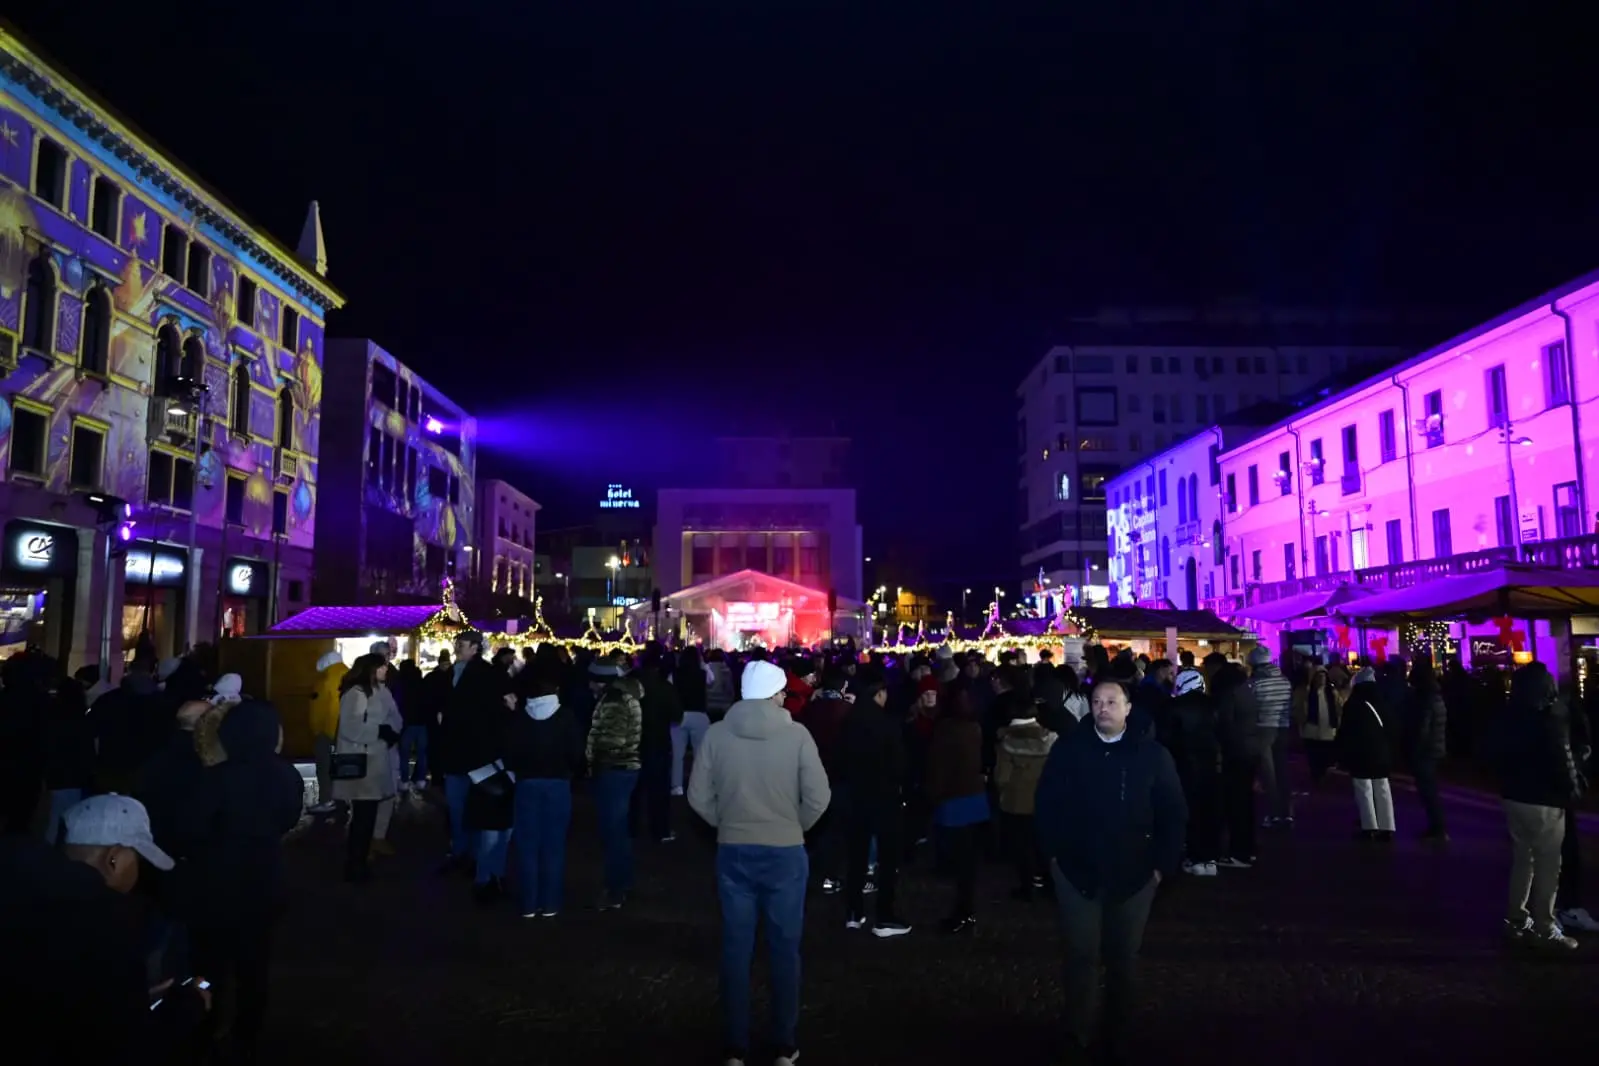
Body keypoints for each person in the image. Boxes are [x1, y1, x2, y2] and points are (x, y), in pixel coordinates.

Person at [1035, 679, 1187, 1062]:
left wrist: (1160, 868)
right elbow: (1046, 804)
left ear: (1128, 707)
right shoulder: (1070, 750)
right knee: (1080, 955)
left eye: (1112, 702)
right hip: (1077, 873)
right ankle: (1078, 1031)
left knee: (1123, 959)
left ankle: (1119, 1033)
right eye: (1097, 701)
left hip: (1135, 876)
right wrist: (1053, 857)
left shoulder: (1153, 756)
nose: (1103, 708)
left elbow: (1173, 813)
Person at [688, 659, 831, 1066]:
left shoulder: (717, 734)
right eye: (782, 692)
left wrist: (727, 823)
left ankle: (735, 1045)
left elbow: (698, 796)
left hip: (734, 849)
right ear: (773, 695)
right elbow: (819, 797)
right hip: (785, 852)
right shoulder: (797, 735)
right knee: (784, 949)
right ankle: (784, 1043)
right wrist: (793, 827)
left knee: (736, 948)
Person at [0, 794, 211, 1063]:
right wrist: (190, 1005)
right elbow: (128, 1045)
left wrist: (129, 998)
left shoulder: (15, 880)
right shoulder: (110, 923)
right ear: (113, 859)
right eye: (138, 860)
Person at [178, 700, 303, 1061]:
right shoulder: (286, 775)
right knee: (254, 965)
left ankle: (206, 1022)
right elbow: (289, 819)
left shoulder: (216, 777)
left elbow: (193, 828)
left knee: (207, 964)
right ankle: (248, 1031)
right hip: (264, 880)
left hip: (215, 884)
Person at [1494, 663, 1581, 949]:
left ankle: (1516, 918)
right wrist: (1572, 789)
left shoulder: (1507, 718)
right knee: (1548, 864)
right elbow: (1562, 760)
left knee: (1523, 859)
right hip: (1544, 799)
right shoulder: (1549, 720)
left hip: (1514, 797)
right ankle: (1545, 924)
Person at [504, 672, 584, 919]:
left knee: (527, 845)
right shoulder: (565, 717)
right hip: (557, 784)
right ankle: (550, 903)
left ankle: (529, 903)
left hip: (526, 784)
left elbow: (510, 755)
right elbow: (576, 753)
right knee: (554, 844)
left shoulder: (521, 718)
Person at [835, 677, 909, 935]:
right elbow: (899, 765)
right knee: (888, 859)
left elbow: (839, 761)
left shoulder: (848, 723)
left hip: (855, 797)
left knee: (856, 857)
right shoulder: (887, 724)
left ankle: (854, 912)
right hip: (884, 798)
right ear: (879, 694)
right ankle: (884, 915)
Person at [334, 655, 400, 882]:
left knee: (367, 815)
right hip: (362, 763)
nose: (386, 669)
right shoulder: (356, 693)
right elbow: (350, 727)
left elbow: (394, 716)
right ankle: (355, 864)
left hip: (375, 760)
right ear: (371, 668)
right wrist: (379, 731)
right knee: (362, 817)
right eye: (382, 666)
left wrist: (390, 730)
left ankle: (360, 860)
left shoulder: (381, 690)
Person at [588, 665, 645, 909]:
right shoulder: (625, 696)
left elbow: (614, 739)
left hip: (614, 768)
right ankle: (623, 881)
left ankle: (615, 888)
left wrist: (594, 756)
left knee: (612, 831)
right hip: (625, 767)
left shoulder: (613, 700)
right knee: (618, 829)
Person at [994, 689, 1056, 898]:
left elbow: (1002, 777)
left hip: (1016, 802)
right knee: (1043, 843)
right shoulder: (1051, 738)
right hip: (1046, 801)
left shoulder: (1006, 743)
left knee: (1022, 846)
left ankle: (1027, 886)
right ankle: (1047, 881)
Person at [1168, 667, 1221, 876]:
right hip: (1210, 765)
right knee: (1210, 811)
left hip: (1185, 766)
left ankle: (1195, 856)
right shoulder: (1213, 704)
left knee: (1190, 812)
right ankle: (1210, 857)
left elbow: (1168, 738)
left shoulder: (1174, 706)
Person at [1338, 667, 1396, 841]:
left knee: (1363, 788)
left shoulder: (1353, 703)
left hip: (1360, 752)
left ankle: (1369, 826)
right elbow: (1392, 727)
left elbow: (1346, 731)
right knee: (1382, 786)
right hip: (1381, 751)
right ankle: (1387, 826)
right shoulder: (1383, 700)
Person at [1246, 646, 1294, 827]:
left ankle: (1273, 814)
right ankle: (1287, 812)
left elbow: (1252, 709)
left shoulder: (1255, 683)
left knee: (1269, 773)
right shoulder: (1285, 681)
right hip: (1283, 728)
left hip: (1263, 729)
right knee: (1283, 771)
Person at [308, 652, 347, 816]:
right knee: (343, 766)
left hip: (328, 731)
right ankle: (342, 799)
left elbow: (328, 709)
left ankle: (326, 800)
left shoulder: (327, 679)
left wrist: (322, 731)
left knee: (324, 767)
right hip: (346, 731)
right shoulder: (348, 675)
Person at [1293, 665, 1340, 785]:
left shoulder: (1331, 692)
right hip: (1311, 730)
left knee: (1327, 757)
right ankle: (1317, 777)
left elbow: (1338, 709)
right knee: (1314, 757)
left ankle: (1323, 776)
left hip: (1328, 730)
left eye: (1324, 676)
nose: (1322, 679)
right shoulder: (1306, 693)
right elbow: (1298, 709)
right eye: (1319, 676)